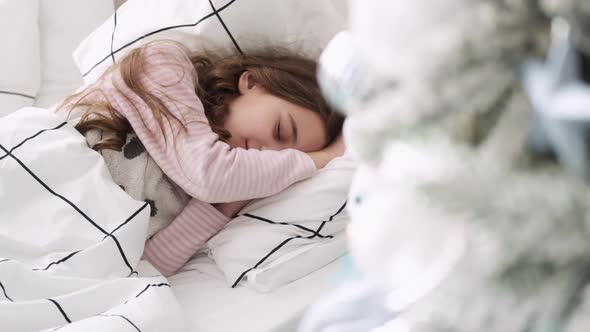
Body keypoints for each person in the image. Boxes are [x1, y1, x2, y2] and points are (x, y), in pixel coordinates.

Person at [57, 40, 345, 276]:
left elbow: (145, 269)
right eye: (280, 131)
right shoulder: (164, 65)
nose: (268, 157)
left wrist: (226, 205)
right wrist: (323, 158)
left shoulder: (225, 188)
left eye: (286, 157)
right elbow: (209, 175)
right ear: (252, 82)